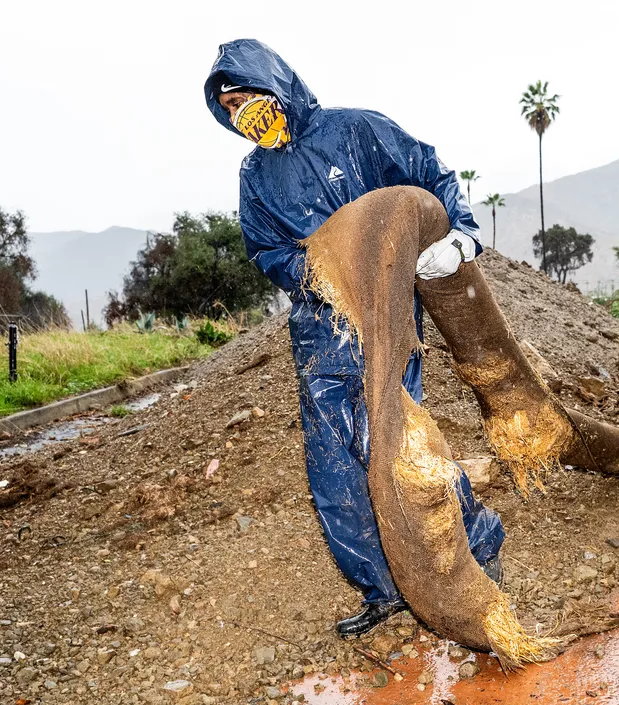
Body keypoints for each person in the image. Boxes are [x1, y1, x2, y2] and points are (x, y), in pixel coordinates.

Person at [204, 39, 505, 638]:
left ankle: (477, 543)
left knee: (398, 443)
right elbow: (265, 250)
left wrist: (461, 233)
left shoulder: (356, 131)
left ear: (273, 84)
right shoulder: (255, 175)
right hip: (319, 328)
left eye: (245, 97)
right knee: (335, 468)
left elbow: (427, 171)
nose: (242, 114)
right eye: (230, 108)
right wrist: (314, 274)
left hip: (383, 318)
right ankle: (383, 587)